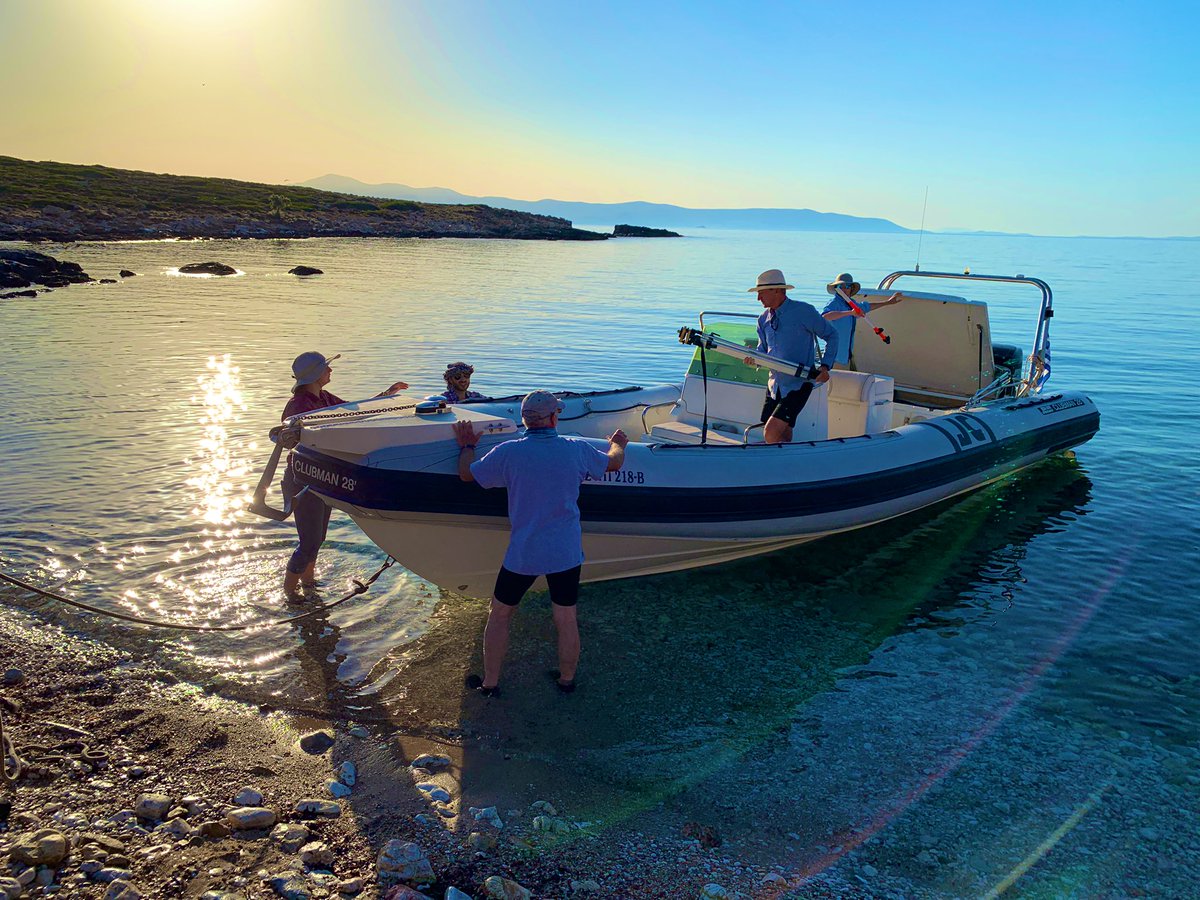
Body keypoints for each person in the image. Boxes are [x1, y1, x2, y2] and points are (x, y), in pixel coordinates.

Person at [451, 390, 629, 696]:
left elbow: (467, 474)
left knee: (500, 614)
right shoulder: (575, 449)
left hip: (524, 553)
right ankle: (566, 681)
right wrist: (618, 444)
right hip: (565, 553)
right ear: (554, 417)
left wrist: (467, 445)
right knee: (565, 616)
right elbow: (613, 463)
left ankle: (490, 683)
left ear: (523, 420)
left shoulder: (509, 452)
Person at [281, 351, 408, 601]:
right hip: (302, 479)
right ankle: (289, 592)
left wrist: (386, 396)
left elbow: (353, 412)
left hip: (324, 476)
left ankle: (308, 581)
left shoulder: (324, 397)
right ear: (316, 374)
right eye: (327, 368)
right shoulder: (298, 405)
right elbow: (287, 438)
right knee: (308, 541)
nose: (331, 371)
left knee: (319, 538)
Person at [741, 268, 840, 444]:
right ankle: (787, 464)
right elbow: (762, 350)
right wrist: (752, 358)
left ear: (777, 290)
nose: (758, 298)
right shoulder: (762, 320)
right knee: (783, 431)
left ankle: (775, 466)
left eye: (761, 293)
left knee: (771, 432)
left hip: (798, 383)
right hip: (774, 384)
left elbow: (832, 335)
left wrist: (825, 366)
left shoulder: (804, 311)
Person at [821, 273, 903, 370]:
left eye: (847, 286)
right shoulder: (834, 303)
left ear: (851, 288)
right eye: (841, 286)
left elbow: (866, 307)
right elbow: (825, 316)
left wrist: (888, 302)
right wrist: (850, 313)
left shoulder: (851, 303)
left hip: (845, 356)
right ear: (836, 288)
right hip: (833, 357)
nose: (844, 289)